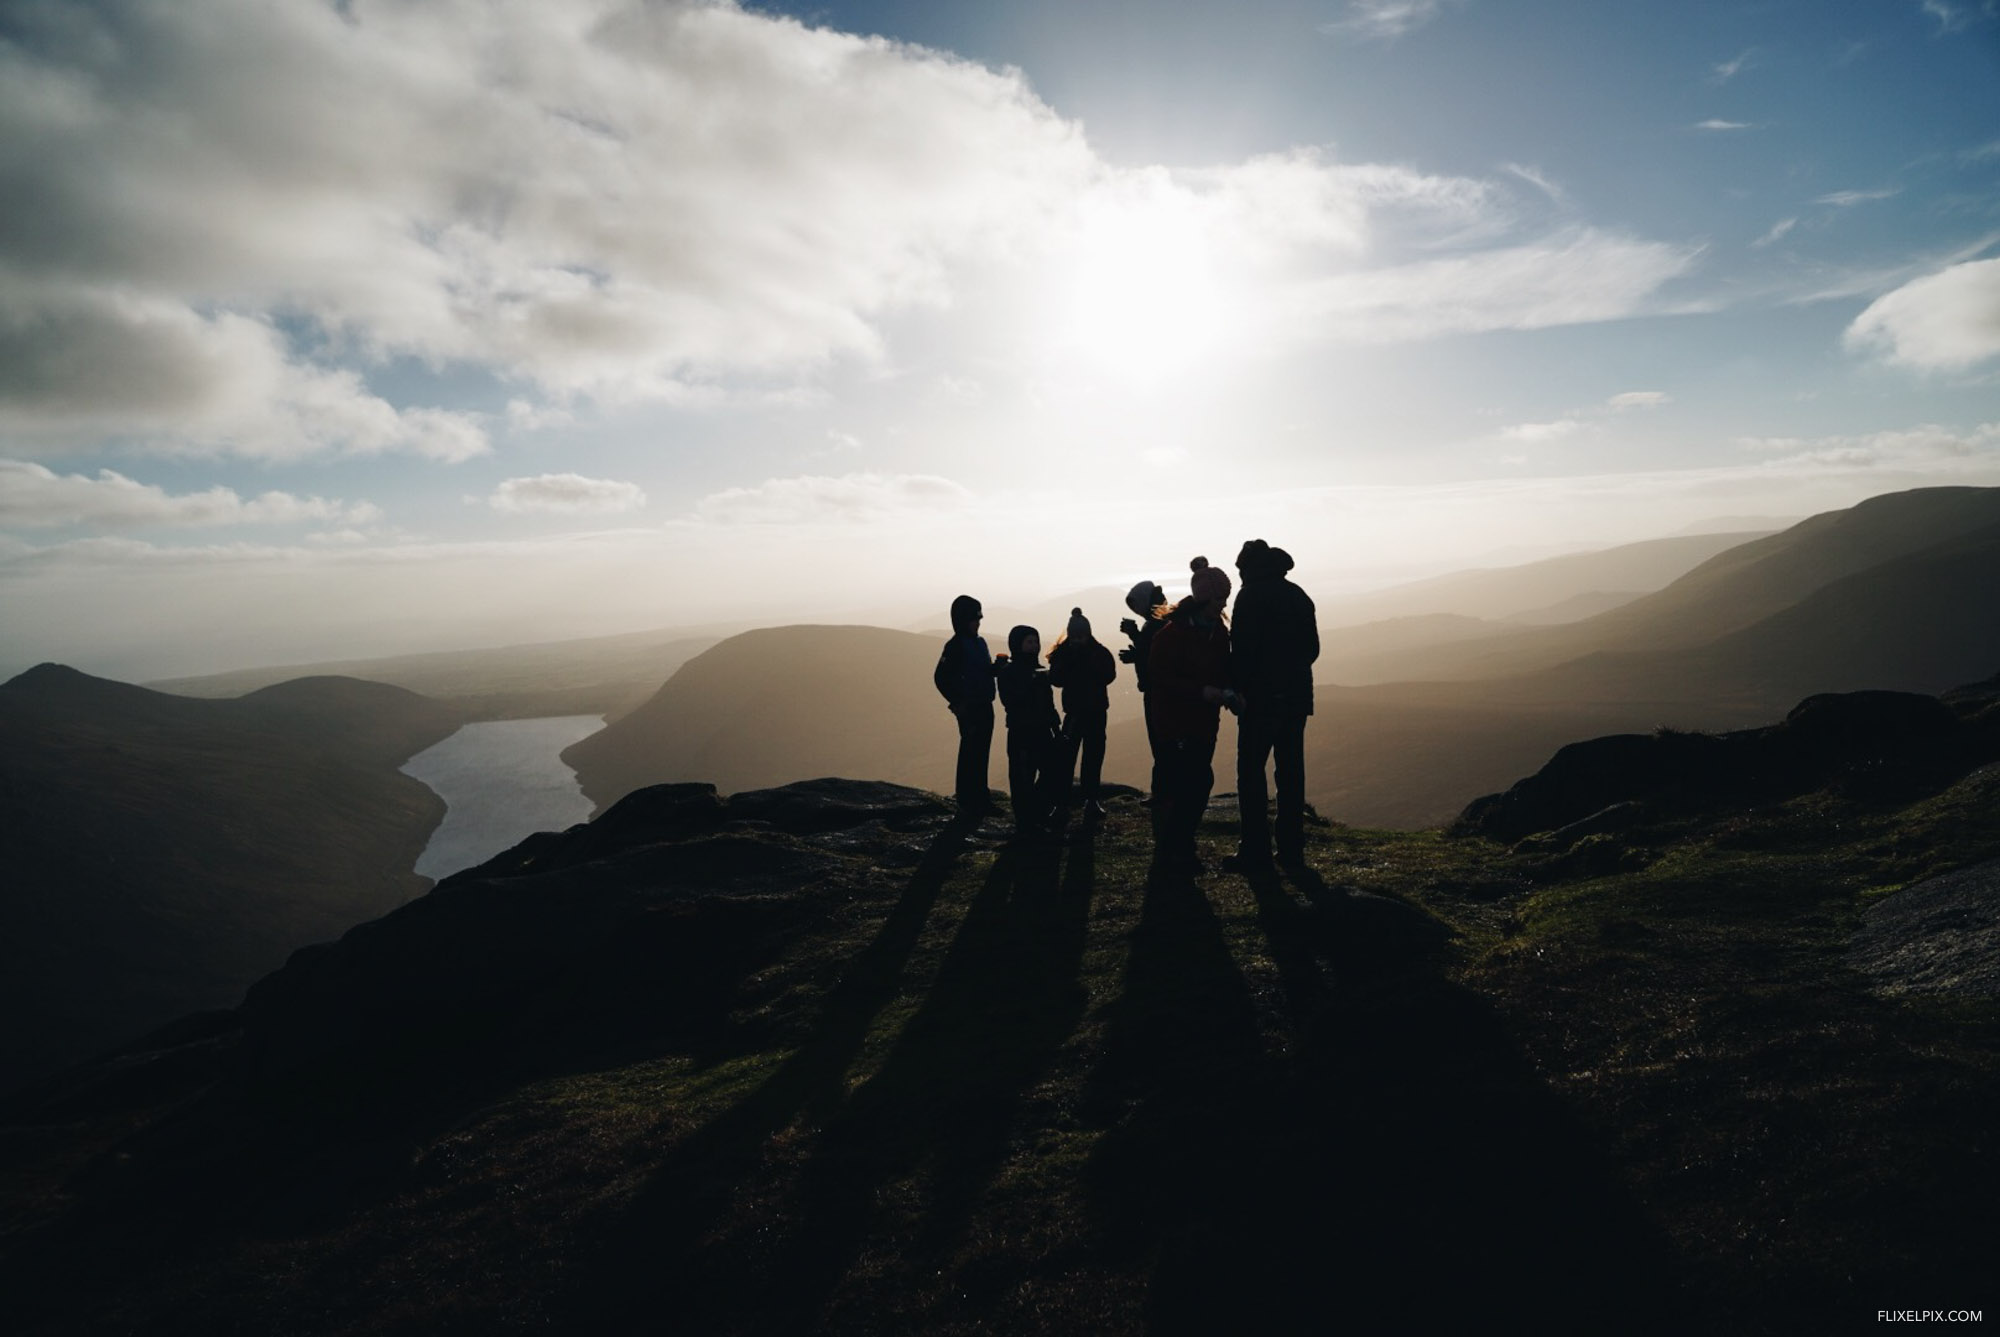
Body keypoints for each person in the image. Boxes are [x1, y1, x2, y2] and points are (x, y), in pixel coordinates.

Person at [1227, 539, 1320, 871]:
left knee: (1251, 773)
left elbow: (1242, 651)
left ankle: (1254, 849)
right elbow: (1312, 649)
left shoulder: (1250, 596)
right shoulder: (1297, 594)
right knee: (1291, 773)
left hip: (1261, 700)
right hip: (1296, 698)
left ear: (1247, 567)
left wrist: (1236, 690)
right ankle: (1292, 850)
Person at [1147, 557, 1238, 872]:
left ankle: (1179, 848)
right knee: (1194, 783)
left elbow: (1223, 669)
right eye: (1218, 599)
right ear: (1202, 599)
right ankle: (1178, 849)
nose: (1222, 604)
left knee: (1194, 784)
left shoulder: (1218, 631)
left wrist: (1229, 691)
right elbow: (1161, 680)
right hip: (1176, 724)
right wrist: (1203, 691)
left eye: (1225, 599)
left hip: (1203, 722)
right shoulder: (1171, 636)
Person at [1046, 607, 1117, 821]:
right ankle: (1064, 804)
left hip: (1090, 712)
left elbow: (1108, 675)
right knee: (1068, 759)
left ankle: (1088, 801)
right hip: (1079, 712)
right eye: (1075, 636)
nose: (1077, 640)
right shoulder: (1071, 653)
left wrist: (1079, 662)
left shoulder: (1096, 652)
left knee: (1090, 758)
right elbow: (1056, 679)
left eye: (1080, 636)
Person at [995, 624, 1064, 837]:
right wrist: (1031, 682)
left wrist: (1056, 727)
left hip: (1042, 731)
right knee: (1022, 779)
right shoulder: (1007, 672)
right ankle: (1026, 823)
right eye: (1029, 642)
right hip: (1021, 732)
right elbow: (1009, 701)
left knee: (1051, 773)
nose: (1034, 646)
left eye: (1035, 641)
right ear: (1017, 644)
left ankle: (1038, 815)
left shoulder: (1039, 670)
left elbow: (1048, 702)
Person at [933, 594, 996, 815]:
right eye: (974, 618)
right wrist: (958, 703)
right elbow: (941, 678)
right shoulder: (955, 646)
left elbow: (981, 671)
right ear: (962, 619)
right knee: (971, 752)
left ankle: (979, 798)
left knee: (981, 751)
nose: (978, 622)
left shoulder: (979, 642)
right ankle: (969, 801)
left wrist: (996, 669)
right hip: (970, 708)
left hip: (984, 705)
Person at [1118, 579, 1168, 802]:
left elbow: (1154, 658)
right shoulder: (1163, 621)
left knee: (1160, 743)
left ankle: (1163, 793)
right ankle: (1165, 792)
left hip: (1158, 693)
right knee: (1163, 744)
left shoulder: (1156, 624)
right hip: (1163, 691)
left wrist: (1135, 649)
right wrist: (1136, 639)